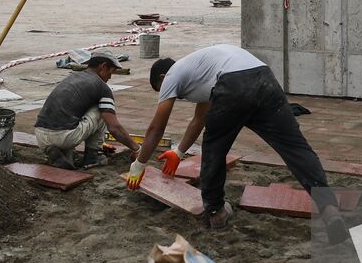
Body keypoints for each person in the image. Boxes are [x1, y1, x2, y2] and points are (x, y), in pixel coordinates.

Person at [126, 44, 340, 233]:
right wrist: (179, 152)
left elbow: (156, 127)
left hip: (233, 83)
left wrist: (139, 164)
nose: (173, 96)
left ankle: (216, 212)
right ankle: (329, 208)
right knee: (295, 148)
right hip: (264, 78)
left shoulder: (172, 75)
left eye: (162, 90)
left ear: (162, 79)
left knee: (213, 150)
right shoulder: (201, 70)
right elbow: (199, 119)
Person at [34, 53, 139, 171]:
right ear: (103, 66)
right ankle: (93, 157)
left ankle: (63, 154)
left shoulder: (72, 77)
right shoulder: (102, 87)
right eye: (111, 72)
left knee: (74, 114)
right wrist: (137, 149)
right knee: (103, 110)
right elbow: (114, 128)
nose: (110, 77)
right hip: (65, 136)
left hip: (40, 136)